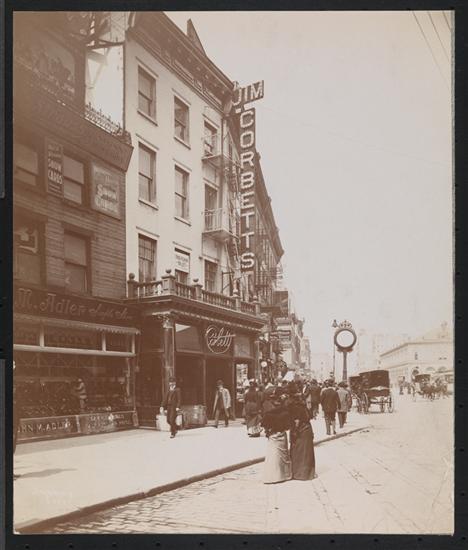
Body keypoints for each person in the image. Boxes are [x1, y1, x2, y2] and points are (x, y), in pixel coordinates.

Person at [261, 388, 293, 484]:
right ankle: (284, 475)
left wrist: (268, 431)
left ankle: (272, 476)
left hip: (273, 435)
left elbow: (264, 424)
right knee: (282, 456)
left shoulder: (268, 410)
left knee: (273, 455)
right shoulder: (285, 411)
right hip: (281, 434)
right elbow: (288, 426)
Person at [289, 393, 316, 480]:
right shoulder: (305, 407)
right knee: (306, 453)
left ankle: (298, 473)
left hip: (301, 431)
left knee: (298, 452)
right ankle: (307, 473)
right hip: (307, 430)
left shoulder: (295, 408)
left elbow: (297, 422)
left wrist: (294, 431)